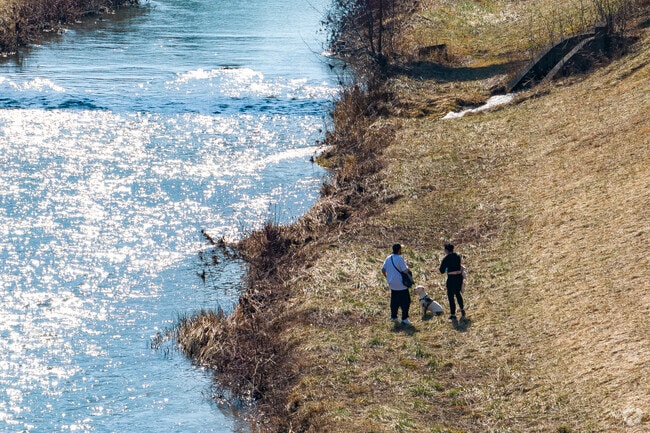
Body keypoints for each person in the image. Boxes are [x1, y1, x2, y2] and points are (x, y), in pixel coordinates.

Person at [381, 243, 413, 326]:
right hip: (401, 284)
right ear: (399, 250)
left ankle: (394, 317)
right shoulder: (400, 258)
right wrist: (407, 264)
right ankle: (404, 319)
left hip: (392, 283)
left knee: (394, 301)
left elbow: (383, 269)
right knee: (406, 301)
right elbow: (405, 271)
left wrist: (387, 277)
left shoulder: (388, 258)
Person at [439, 243, 465, 320]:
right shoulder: (457, 256)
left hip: (451, 278)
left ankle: (453, 314)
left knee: (450, 296)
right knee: (458, 293)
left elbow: (441, 270)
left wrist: (446, 268)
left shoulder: (446, 258)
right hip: (459, 277)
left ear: (446, 250)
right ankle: (462, 308)